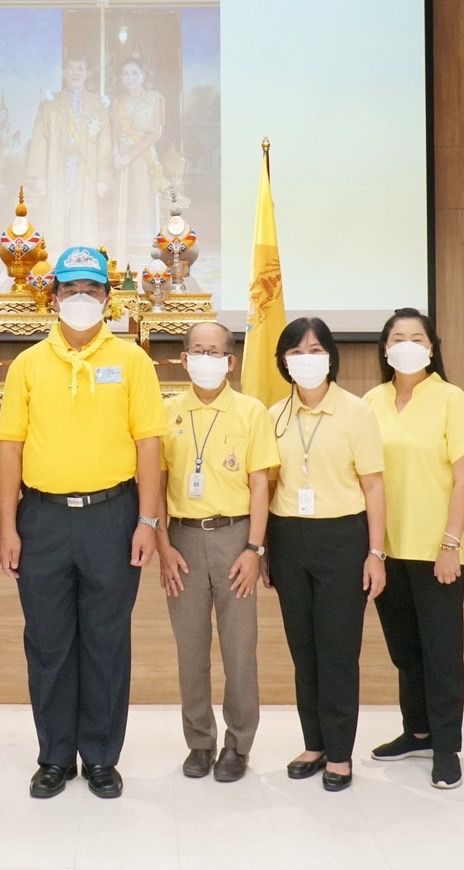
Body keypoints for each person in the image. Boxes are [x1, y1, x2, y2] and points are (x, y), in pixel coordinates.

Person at [0, 245, 167, 800]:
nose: (80, 299)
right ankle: (53, 757)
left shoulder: (133, 361)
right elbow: (9, 448)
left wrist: (147, 520)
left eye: (91, 290)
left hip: (112, 517)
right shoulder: (28, 364)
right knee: (47, 642)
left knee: (106, 642)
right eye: (70, 289)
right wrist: (8, 527)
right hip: (42, 519)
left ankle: (99, 757)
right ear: (53, 297)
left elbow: (149, 445)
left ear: (108, 298)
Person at [364, 308, 464, 790]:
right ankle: (416, 732)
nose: (407, 345)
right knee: (405, 651)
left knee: (441, 653)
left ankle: (446, 747)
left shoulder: (451, 399)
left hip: (437, 550)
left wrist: (451, 543)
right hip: (386, 550)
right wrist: (371, 549)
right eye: (398, 338)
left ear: (432, 348)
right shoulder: (370, 402)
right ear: (385, 348)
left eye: (417, 338)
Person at [266, 317, 386, 792]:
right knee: (303, 649)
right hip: (287, 537)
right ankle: (313, 744)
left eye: (316, 350)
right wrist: (264, 549)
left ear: (331, 357)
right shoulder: (274, 415)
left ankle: (339, 753)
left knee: (337, 649)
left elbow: (373, 486)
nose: (306, 359)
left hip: (342, 538)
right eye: (296, 351)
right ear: (283, 361)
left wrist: (376, 552)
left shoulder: (356, 412)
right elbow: (267, 484)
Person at [154, 321, 277, 783]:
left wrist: (254, 549)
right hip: (182, 540)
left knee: (239, 650)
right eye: (197, 351)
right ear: (184, 359)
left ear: (231, 361)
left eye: (216, 352)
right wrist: (163, 546)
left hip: (235, 537)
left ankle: (238, 744)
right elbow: (157, 483)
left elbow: (261, 485)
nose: (206, 359)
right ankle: (200, 742)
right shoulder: (166, 412)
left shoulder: (251, 412)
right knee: (191, 650)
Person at [24, 55, 112, 249]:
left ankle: (81, 256)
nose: (75, 73)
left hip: (86, 169)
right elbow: (39, 140)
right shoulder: (50, 103)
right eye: (71, 68)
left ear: (87, 73)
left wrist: (103, 178)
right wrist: (39, 176)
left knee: (83, 212)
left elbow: (105, 144)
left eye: (80, 68)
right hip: (57, 167)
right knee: (56, 210)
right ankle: (55, 254)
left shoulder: (98, 105)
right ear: (64, 73)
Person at [109, 55, 167, 264]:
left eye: (135, 73)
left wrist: (129, 156)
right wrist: (116, 154)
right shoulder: (118, 102)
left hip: (143, 159)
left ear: (143, 75)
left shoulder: (155, 99)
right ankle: (123, 256)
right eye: (125, 73)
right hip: (123, 162)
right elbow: (114, 130)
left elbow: (155, 134)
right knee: (125, 206)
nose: (130, 77)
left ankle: (144, 258)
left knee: (143, 205)